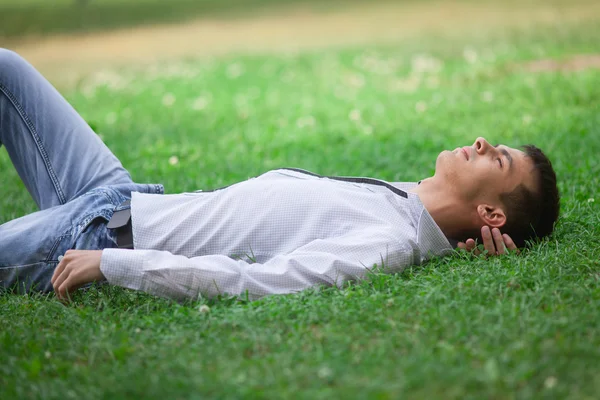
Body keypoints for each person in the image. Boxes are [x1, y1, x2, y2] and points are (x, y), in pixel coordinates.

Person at [0, 48, 560, 301]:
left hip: (92, 241)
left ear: (492, 212)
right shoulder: (402, 200)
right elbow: (441, 216)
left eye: (498, 160)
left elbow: (254, 283)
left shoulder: (386, 243)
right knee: (9, 70)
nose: (483, 143)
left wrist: (114, 262)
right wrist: (467, 244)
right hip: (118, 196)